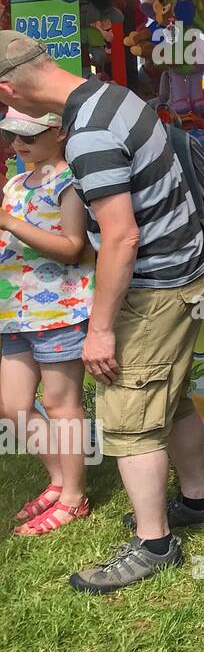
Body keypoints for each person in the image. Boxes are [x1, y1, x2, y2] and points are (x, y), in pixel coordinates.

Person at [0, 30, 204, 594]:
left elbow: (120, 238)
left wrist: (99, 329)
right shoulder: (111, 94)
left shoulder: (89, 133)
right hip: (184, 274)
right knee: (171, 400)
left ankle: (154, 543)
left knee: (128, 417)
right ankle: (198, 499)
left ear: (9, 90)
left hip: (152, 288)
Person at [0, 109, 96, 534]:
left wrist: (8, 221)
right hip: (13, 312)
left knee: (61, 405)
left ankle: (74, 495)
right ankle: (59, 478)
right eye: (12, 135)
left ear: (60, 133)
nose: (18, 144)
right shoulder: (15, 184)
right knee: (12, 406)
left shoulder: (70, 182)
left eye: (29, 135)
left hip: (60, 310)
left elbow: (73, 247)